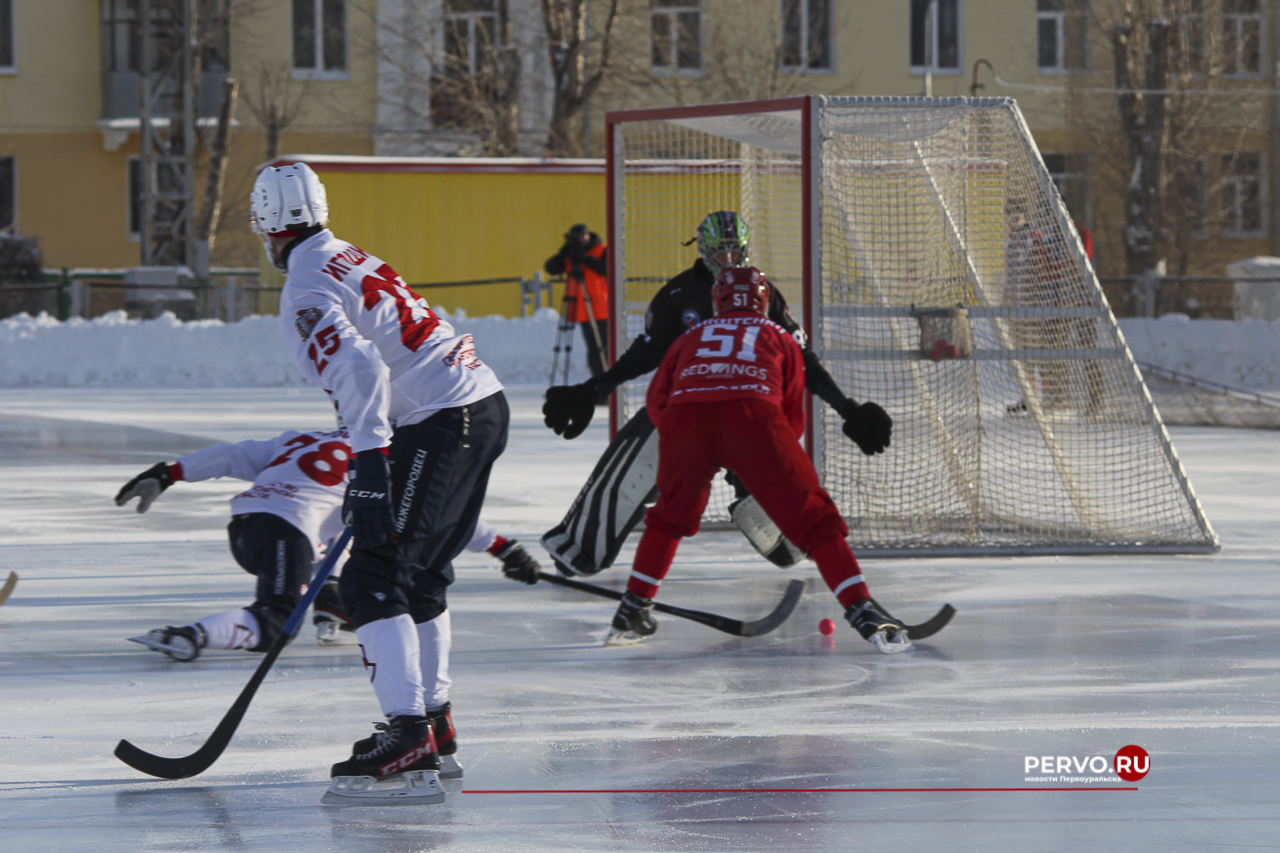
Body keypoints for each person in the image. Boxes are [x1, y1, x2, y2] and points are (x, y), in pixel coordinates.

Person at [250, 161, 508, 791]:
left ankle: (406, 733)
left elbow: (361, 369)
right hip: (478, 406)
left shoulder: (306, 286)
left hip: (443, 419)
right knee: (420, 576)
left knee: (374, 574)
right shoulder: (347, 255)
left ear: (264, 225)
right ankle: (433, 723)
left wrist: (369, 459)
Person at [540, 210, 893, 576]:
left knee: (784, 495)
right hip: (687, 407)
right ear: (703, 251)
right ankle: (581, 546)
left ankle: (792, 542)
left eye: (734, 251)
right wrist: (592, 388)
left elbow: (802, 359)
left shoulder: (764, 293)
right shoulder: (678, 293)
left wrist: (847, 408)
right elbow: (646, 352)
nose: (728, 260)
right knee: (633, 460)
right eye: (719, 252)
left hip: (749, 410)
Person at [605, 267, 912, 654]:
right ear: (764, 301)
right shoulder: (779, 335)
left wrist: (690, 441)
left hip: (686, 420)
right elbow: (792, 415)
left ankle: (633, 606)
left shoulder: (690, 337)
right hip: (754, 418)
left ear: (717, 301)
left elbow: (657, 401)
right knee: (815, 521)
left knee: (668, 518)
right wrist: (757, 459)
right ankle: (863, 609)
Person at [114, 430, 543, 653]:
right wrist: (504, 547)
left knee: (356, 531)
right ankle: (190, 636)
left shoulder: (304, 440)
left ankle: (333, 598)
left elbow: (231, 454)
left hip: (246, 528)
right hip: (289, 530)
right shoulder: (386, 464)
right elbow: (448, 519)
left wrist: (168, 472)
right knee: (277, 622)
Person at [544, 224, 609, 382]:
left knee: (604, 348)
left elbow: (607, 269)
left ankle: (609, 384)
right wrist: (563, 254)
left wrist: (586, 260)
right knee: (593, 350)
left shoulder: (602, 249)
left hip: (601, 308)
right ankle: (599, 383)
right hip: (582, 309)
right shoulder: (571, 253)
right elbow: (551, 268)